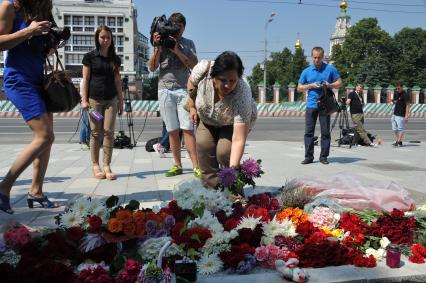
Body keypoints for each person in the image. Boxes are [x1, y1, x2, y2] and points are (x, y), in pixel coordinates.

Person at [0, 0, 59, 214]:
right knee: (45, 136)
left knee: (47, 140)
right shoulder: (10, 7)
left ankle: (36, 192)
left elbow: (39, 49)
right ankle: (4, 187)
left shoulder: (42, 10)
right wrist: (29, 31)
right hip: (19, 79)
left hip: (39, 80)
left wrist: (51, 45)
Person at [187, 51, 257, 188]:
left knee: (225, 152)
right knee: (203, 145)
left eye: (232, 81)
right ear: (213, 76)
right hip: (207, 118)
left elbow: (238, 139)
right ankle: (211, 193)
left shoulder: (242, 92)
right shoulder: (203, 70)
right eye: (223, 80)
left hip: (230, 122)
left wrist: (232, 172)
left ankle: (232, 191)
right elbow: (191, 83)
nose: (227, 85)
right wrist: (192, 106)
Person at [147, 12, 200, 177]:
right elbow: (152, 67)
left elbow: (195, 66)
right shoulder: (161, 42)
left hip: (183, 89)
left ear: (184, 28)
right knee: (172, 130)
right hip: (164, 90)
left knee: (188, 129)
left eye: (180, 27)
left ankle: (196, 166)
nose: (177, 30)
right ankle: (177, 165)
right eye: (174, 26)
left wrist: (177, 50)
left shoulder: (188, 43)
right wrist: (157, 47)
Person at [81, 25, 123, 180]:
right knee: (96, 132)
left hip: (111, 100)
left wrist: (121, 100)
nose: (105, 40)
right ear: (97, 39)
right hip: (94, 102)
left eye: (108, 38)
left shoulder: (115, 59)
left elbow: (117, 80)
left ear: (112, 40)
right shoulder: (89, 57)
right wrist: (84, 100)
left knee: (109, 132)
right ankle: (95, 165)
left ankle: (107, 165)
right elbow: (85, 79)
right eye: (102, 37)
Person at [298, 46, 342, 165]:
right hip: (311, 104)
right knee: (309, 132)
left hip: (325, 105)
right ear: (312, 57)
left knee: (325, 132)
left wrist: (329, 85)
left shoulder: (330, 69)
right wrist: (310, 85)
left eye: (319, 58)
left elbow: (339, 83)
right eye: (314, 57)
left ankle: (323, 157)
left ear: (323, 57)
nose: (317, 60)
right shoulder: (306, 71)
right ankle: (308, 157)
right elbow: (299, 87)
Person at [391, 82, 410, 147]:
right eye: (396, 88)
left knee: (400, 129)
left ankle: (399, 142)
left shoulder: (405, 95)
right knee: (394, 128)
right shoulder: (397, 93)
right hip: (394, 114)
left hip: (401, 115)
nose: (397, 90)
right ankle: (399, 140)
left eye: (398, 88)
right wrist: (393, 101)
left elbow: (407, 105)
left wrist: (406, 116)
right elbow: (395, 101)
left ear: (402, 87)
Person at [79, 79, 91, 150]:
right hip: (87, 104)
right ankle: (84, 141)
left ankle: (89, 140)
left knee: (98, 118)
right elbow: (82, 94)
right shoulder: (84, 80)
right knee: (86, 122)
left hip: (93, 103)